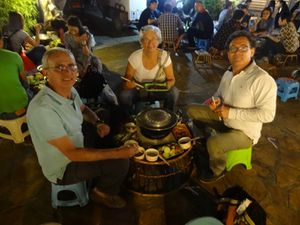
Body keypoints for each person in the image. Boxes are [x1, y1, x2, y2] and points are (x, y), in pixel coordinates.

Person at [26, 47, 139, 208]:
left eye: (71, 66)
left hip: (76, 140)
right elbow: (73, 154)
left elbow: (84, 109)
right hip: (64, 167)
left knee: (103, 114)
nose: (68, 73)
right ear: (45, 72)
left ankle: (103, 159)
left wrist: (98, 122)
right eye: (59, 67)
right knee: (121, 162)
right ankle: (102, 193)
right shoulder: (43, 110)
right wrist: (119, 153)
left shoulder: (69, 90)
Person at [187, 30, 277, 182]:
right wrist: (213, 101)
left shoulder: (262, 79)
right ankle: (210, 134)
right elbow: (218, 93)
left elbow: (268, 115)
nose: (237, 52)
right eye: (233, 48)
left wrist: (231, 113)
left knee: (213, 143)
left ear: (252, 51)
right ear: (228, 53)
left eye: (243, 48)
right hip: (223, 119)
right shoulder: (229, 72)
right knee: (191, 109)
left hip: (245, 133)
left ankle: (217, 170)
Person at [119, 25, 176, 114]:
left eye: (154, 38)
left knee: (173, 94)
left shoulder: (164, 56)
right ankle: (130, 120)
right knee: (124, 96)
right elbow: (126, 81)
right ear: (141, 41)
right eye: (146, 39)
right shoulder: (135, 57)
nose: (150, 43)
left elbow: (171, 79)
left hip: (158, 88)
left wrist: (168, 85)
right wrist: (128, 85)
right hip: (139, 89)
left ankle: (167, 117)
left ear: (158, 40)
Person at [0, 30, 29, 120]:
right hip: (21, 107)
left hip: (2, 114)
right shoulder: (14, 56)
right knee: (27, 86)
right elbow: (24, 79)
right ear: (1, 41)